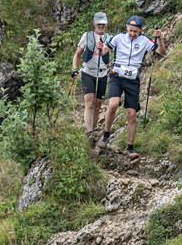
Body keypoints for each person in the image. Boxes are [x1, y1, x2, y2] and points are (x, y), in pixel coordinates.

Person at [98, 15, 166, 160]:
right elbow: (105, 50)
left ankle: (130, 148)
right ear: (126, 28)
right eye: (130, 30)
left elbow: (161, 52)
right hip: (117, 75)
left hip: (133, 79)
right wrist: (100, 49)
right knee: (113, 104)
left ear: (140, 30)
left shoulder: (145, 40)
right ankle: (105, 135)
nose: (132, 34)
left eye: (135, 31)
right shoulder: (118, 38)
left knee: (132, 114)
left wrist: (159, 38)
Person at [71, 12, 112, 140]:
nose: (101, 26)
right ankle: (90, 133)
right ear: (94, 23)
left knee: (98, 104)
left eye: (103, 23)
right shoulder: (87, 36)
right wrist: (74, 68)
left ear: (106, 24)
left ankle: (93, 130)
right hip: (88, 72)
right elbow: (77, 54)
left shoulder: (110, 38)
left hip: (102, 73)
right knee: (89, 102)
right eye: (98, 23)